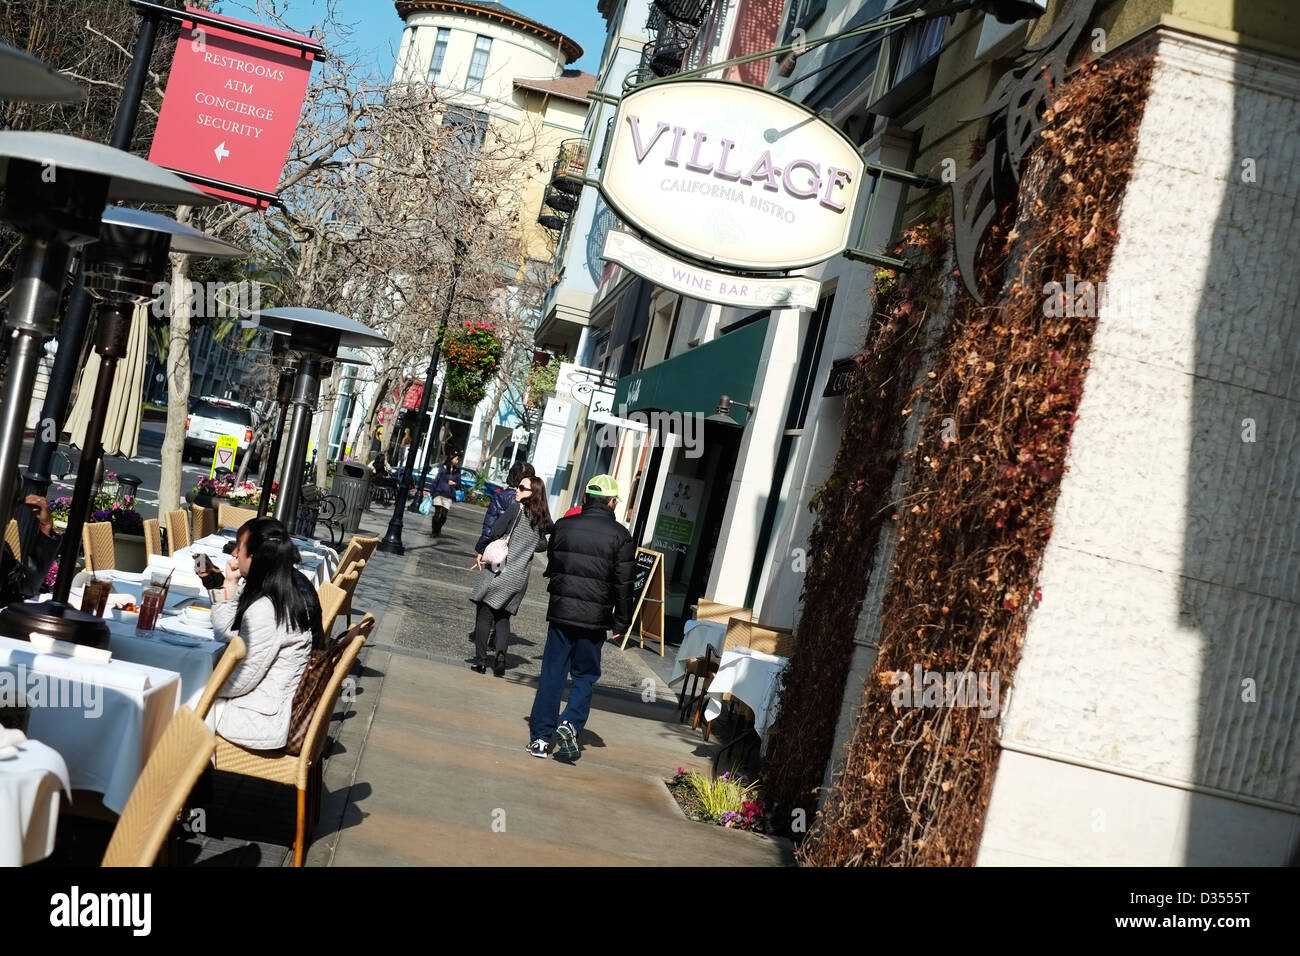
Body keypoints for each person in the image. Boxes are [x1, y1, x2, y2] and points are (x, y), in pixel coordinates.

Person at [526, 474, 634, 760]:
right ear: (612, 503)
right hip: (595, 619)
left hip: (561, 613)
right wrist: (622, 622)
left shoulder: (564, 526)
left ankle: (539, 739)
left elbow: (554, 564)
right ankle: (570, 723)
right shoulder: (621, 537)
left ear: (585, 498)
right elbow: (624, 585)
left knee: (552, 673)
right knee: (585, 675)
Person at [208, 517, 324, 750]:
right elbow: (225, 633)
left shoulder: (269, 608)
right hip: (270, 705)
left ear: (254, 557)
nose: (234, 555)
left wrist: (201, 686)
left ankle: (182, 780)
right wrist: (229, 585)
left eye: (239, 548)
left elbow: (242, 681)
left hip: (259, 720)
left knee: (176, 706)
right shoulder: (285, 586)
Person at [468, 474, 553, 676]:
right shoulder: (540, 519)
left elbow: (496, 530)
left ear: (533, 493)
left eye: (522, 488)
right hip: (519, 577)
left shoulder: (516, 509)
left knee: (484, 616)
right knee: (503, 618)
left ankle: (480, 661)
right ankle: (500, 657)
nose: (517, 491)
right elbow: (542, 545)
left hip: (500, 570)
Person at [0, 481, 60, 604]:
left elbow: (25, 586)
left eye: (16, 501)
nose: (14, 509)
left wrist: (46, 526)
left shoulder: (2, 547)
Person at [476, 461, 535, 553]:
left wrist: (482, 549)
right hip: (521, 552)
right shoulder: (533, 500)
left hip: (498, 548)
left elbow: (490, 525)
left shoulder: (501, 496)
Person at [429, 453, 462, 537]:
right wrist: (432, 492)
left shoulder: (457, 471)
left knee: (443, 515)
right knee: (437, 513)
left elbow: (459, 484)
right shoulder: (442, 469)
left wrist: (454, 483)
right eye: (456, 459)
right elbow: (436, 480)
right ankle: (434, 531)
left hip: (449, 495)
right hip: (439, 493)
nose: (457, 461)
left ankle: (438, 528)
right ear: (451, 459)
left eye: (458, 459)